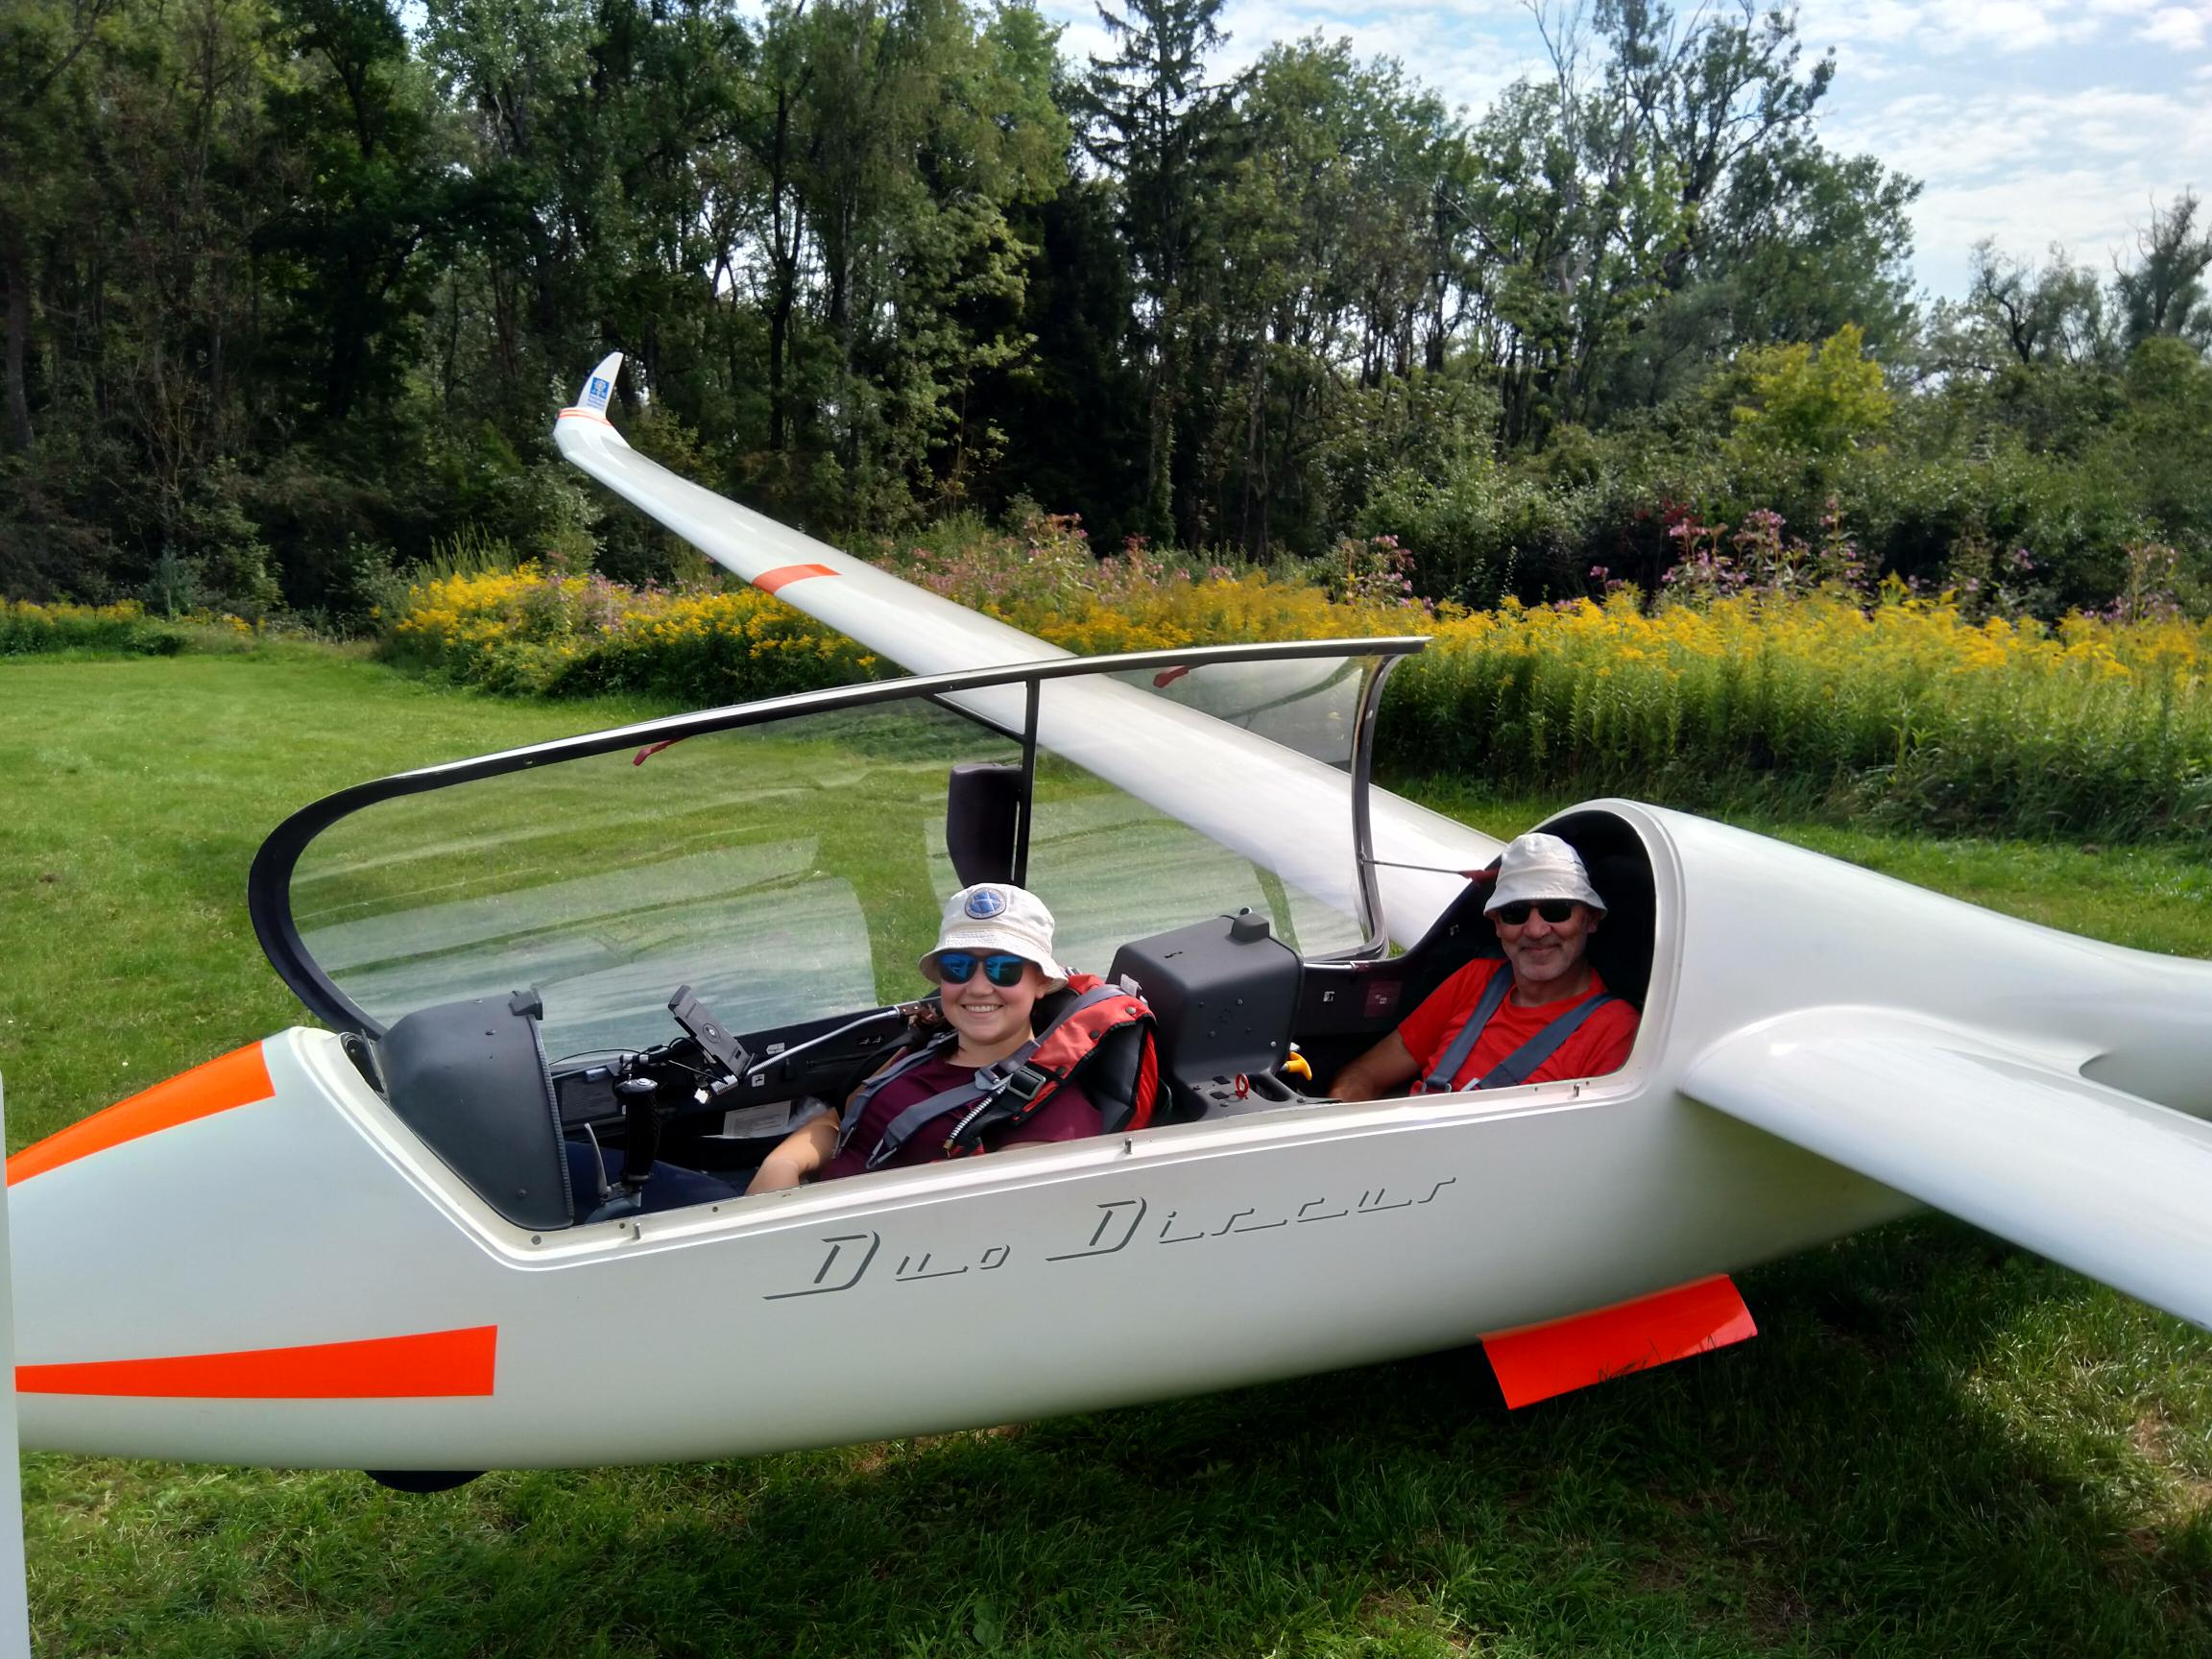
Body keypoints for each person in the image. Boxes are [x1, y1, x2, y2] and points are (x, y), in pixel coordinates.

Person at [746, 883, 1101, 1193]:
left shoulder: (1052, 1115)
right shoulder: (926, 1048)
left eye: (1003, 969)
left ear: (1040, 982)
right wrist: (782, 1165)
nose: (977, 987)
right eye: (958, 967)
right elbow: (839, 1123)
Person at [1332, 832, 1639, 1101]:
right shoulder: (1476, 979)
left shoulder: (1614, 1030)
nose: (1534, 930)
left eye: (1556, 910)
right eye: (1515, 913)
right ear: (1497, 925)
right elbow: (1366, 1073)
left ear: (1591, 919)